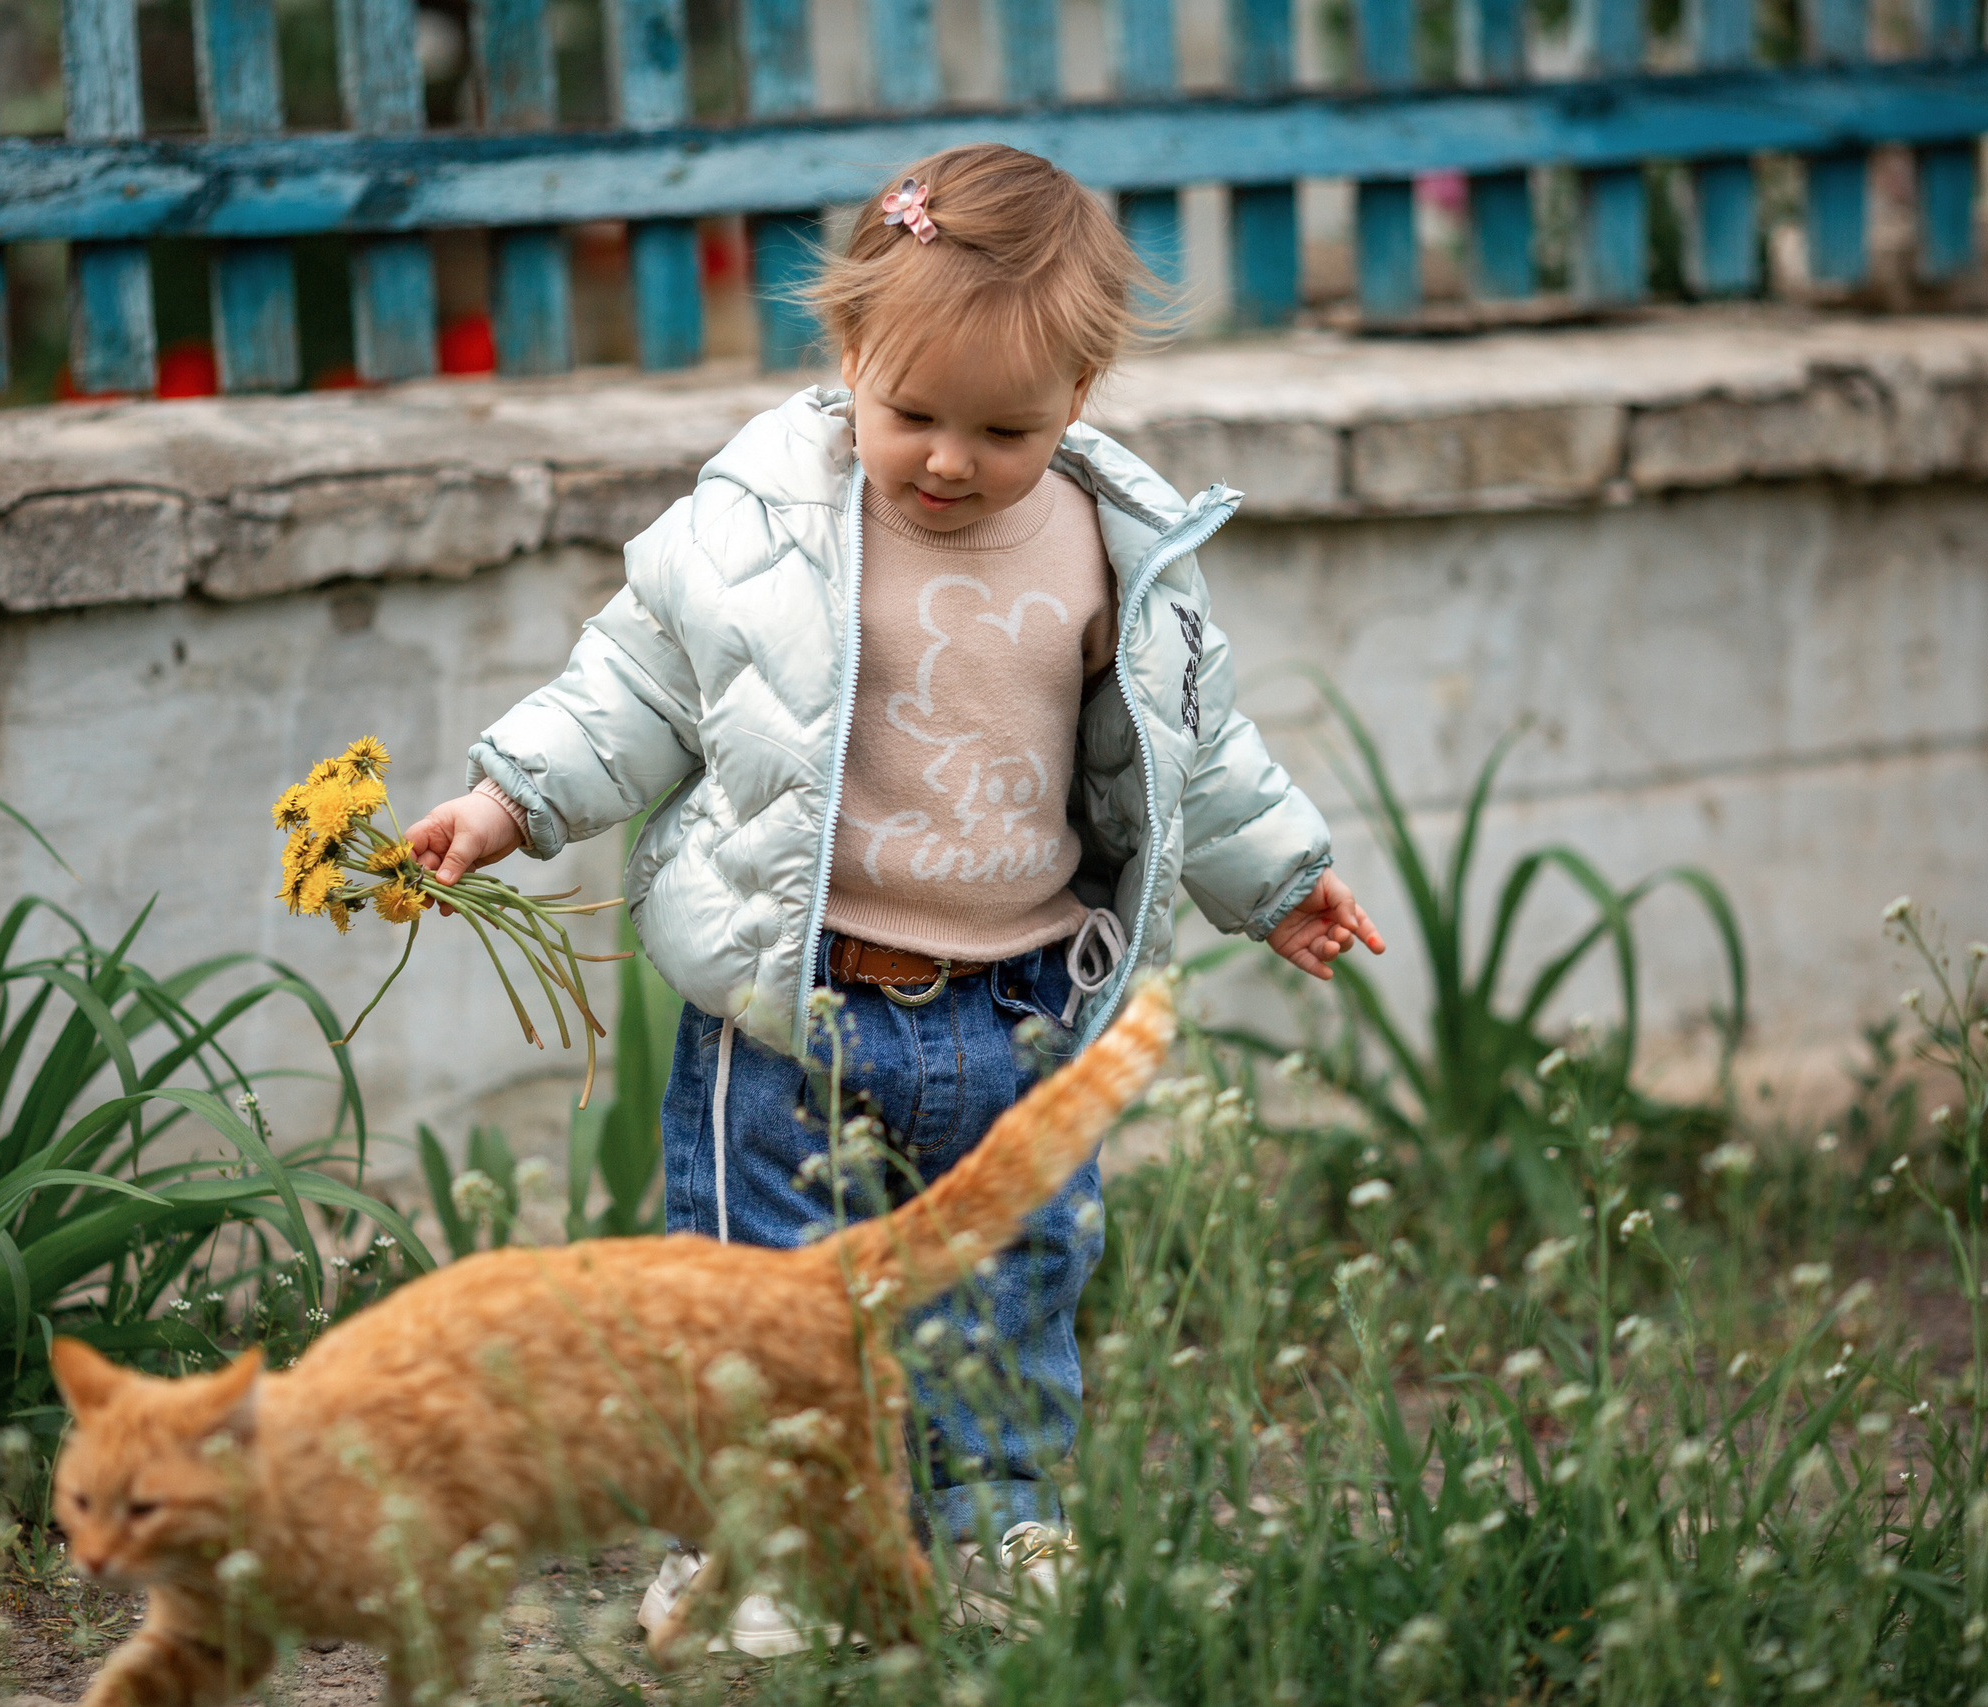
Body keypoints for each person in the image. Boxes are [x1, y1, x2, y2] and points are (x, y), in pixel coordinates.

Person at [404, 143, 1385, 1651]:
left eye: (1005, 429)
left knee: (1015, 1271)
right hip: (792, 1003)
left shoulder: (1114, 550)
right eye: (913, 414)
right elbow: (636, 685)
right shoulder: (764, 527)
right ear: (850, 352)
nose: (949, 460)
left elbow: (1193, 746)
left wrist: (1283, 879)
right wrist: (507, 800)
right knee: (762, 1293)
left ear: (1078, 394)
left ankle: (997, 1518)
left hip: (1020, 1004)